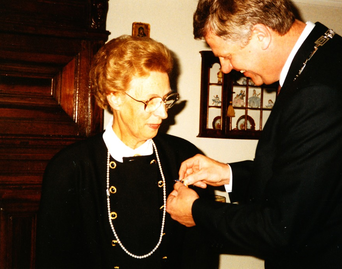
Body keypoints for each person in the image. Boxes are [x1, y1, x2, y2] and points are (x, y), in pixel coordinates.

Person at [166, 0, 342, 268]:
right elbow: (306, 180)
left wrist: (197, 212)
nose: (225, 68)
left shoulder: (319, 93)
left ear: (261, 36)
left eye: (226, 56)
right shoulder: (323, 55)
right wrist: (227, 174)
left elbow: (279, 228)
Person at [36, 35, 218, 269]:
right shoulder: (70, 168)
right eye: (151, 101)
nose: (163, 113)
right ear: (115, 97)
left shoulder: (185, 157)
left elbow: (201, 253)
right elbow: (54, 259)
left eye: (166, 100)